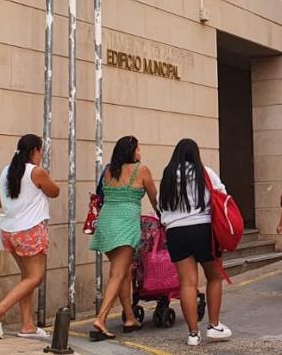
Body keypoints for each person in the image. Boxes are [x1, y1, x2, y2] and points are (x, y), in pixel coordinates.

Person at [0, 133, 60, 340]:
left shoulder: (5, 172)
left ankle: (27, 325)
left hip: (9, 232)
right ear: (34, 151)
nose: (41, 154)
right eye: (41, 150)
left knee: (27, 278)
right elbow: (55, 191)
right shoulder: (37, 172)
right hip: (31, 231)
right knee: (35, 277)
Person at [158, 139, 233, 347]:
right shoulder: (205, 172)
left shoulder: (168, 175)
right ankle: (214, 326)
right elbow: (222, 195)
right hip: (203, 229)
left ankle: (193, 334)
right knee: (214, 276)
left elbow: (161, 204)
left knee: (188, 283)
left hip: (175, 232)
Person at [88, 135, 157, 340]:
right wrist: (162, 216)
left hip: (106, 222)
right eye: (137, 149)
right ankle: (101, 319)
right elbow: (154, 197)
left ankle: (129, 318)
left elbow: (101, 194)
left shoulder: (109, 170)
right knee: (117, 275)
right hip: (126, 225)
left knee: (125, 272)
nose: (140, 152)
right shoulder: (141, 170)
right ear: (131, 151)